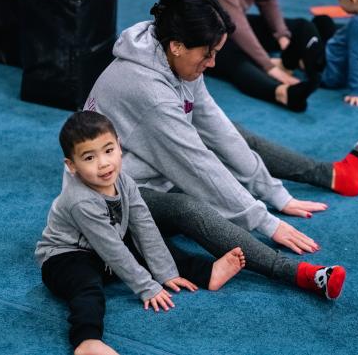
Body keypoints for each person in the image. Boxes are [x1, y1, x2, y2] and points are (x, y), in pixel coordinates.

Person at [84, 0, 348, 311]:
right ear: (178, 47)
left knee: (231, 132)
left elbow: (216, 128)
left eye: (216, 53)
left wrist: (276, 194)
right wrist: (265, 221)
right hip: (112, 195)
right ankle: (296, 273)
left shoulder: (168, 51)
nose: (212, 63)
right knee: (191, 207)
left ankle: (331, 174)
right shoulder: (149, 92)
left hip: (148, 162)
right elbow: (199, 167)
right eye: (207, 54)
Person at [36, 111, 247, 355]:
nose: (103, 163)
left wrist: (165, 272)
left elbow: (144, 224)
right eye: (89, 157)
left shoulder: (124, 181)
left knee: (156, 244)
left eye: (108, 150)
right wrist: (147, 286)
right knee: (87, 287)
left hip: (104, 249)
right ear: (72, 166)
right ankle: (87, 341)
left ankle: (207, 273)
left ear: (119, 147)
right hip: (64, 257)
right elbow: (112, 251)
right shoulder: (80, 200)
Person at [175, 0, 323, 112]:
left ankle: (315, 70)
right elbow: (235, 22)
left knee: (302, 26)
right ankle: (282, 93)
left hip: (228, 22)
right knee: (236, 56)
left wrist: (283, 39)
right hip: (199, 34)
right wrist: (270, 67)